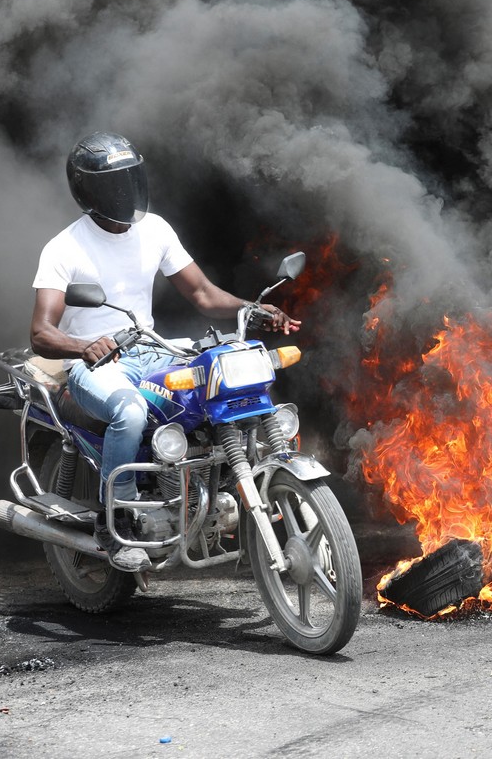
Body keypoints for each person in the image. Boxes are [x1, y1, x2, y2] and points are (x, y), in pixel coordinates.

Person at [30, 131, 299, 572]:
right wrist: (86, 345)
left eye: (130, 179)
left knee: (217, 393)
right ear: (87, 190)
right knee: (130, 414)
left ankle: (217, 493)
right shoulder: (64, 249)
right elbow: (41, 333)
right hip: (95, 365)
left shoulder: (154, 229)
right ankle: (119, 521)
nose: (126, 192)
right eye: (112, 185)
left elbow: (205, 295)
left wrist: (253, 309)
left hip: (153, 352)